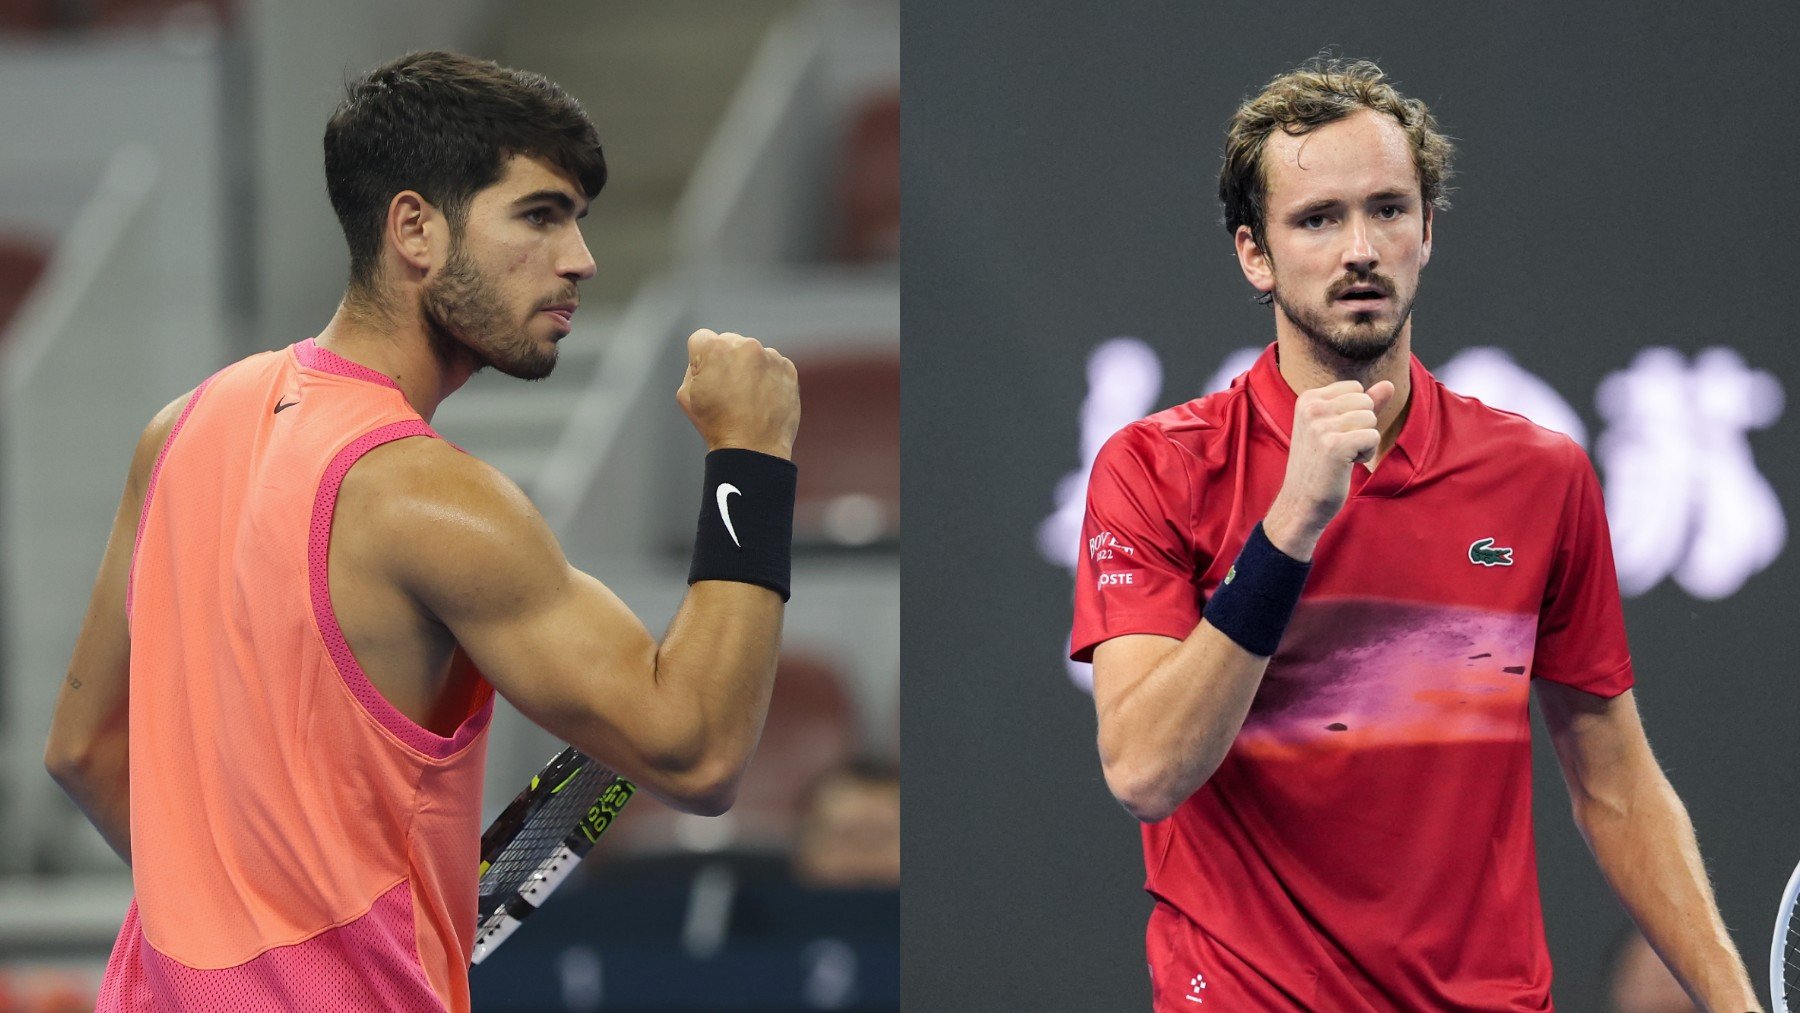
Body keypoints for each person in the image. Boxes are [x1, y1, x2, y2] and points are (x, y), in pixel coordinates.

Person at [43, 51, 801, 1012]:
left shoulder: (181, 427)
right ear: (415, 229)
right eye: (539, 214)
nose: (580, 259)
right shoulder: (431, 499)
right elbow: (696, 749)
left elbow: (83, 750)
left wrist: (236, 932)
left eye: (578, 219)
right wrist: (753, 454)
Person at [1071, 57, 1756, 1010]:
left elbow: (1617, 784)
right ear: (1254, 255)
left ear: (1427, 232)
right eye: (1317, 219)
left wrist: (1734, 1003)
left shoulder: (1539, 476)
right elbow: (1146, 768)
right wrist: (1287, 530)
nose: (1361, 246)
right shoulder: (1155, 468)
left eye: (1389, 209)